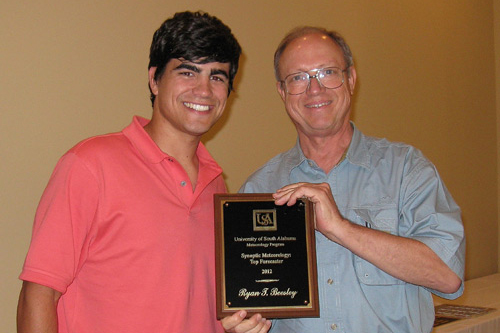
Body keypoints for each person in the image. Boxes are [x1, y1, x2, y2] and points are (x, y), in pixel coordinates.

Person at [17, 11, 270, 333]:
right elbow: (38, 293)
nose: (204, 90)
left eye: (217, 77)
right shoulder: (90, 165)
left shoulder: (219, 189)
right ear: (154, 78)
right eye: (188, 72)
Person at [240, 26, 465, 333]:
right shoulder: (258, 190)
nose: (314, 89)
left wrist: (341, 228)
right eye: (298, 78)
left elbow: (448, 276)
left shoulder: (406, 170)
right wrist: (243, 325)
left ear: (351, 79)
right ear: (282, 92)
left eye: (328, 72)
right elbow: (250, 302)